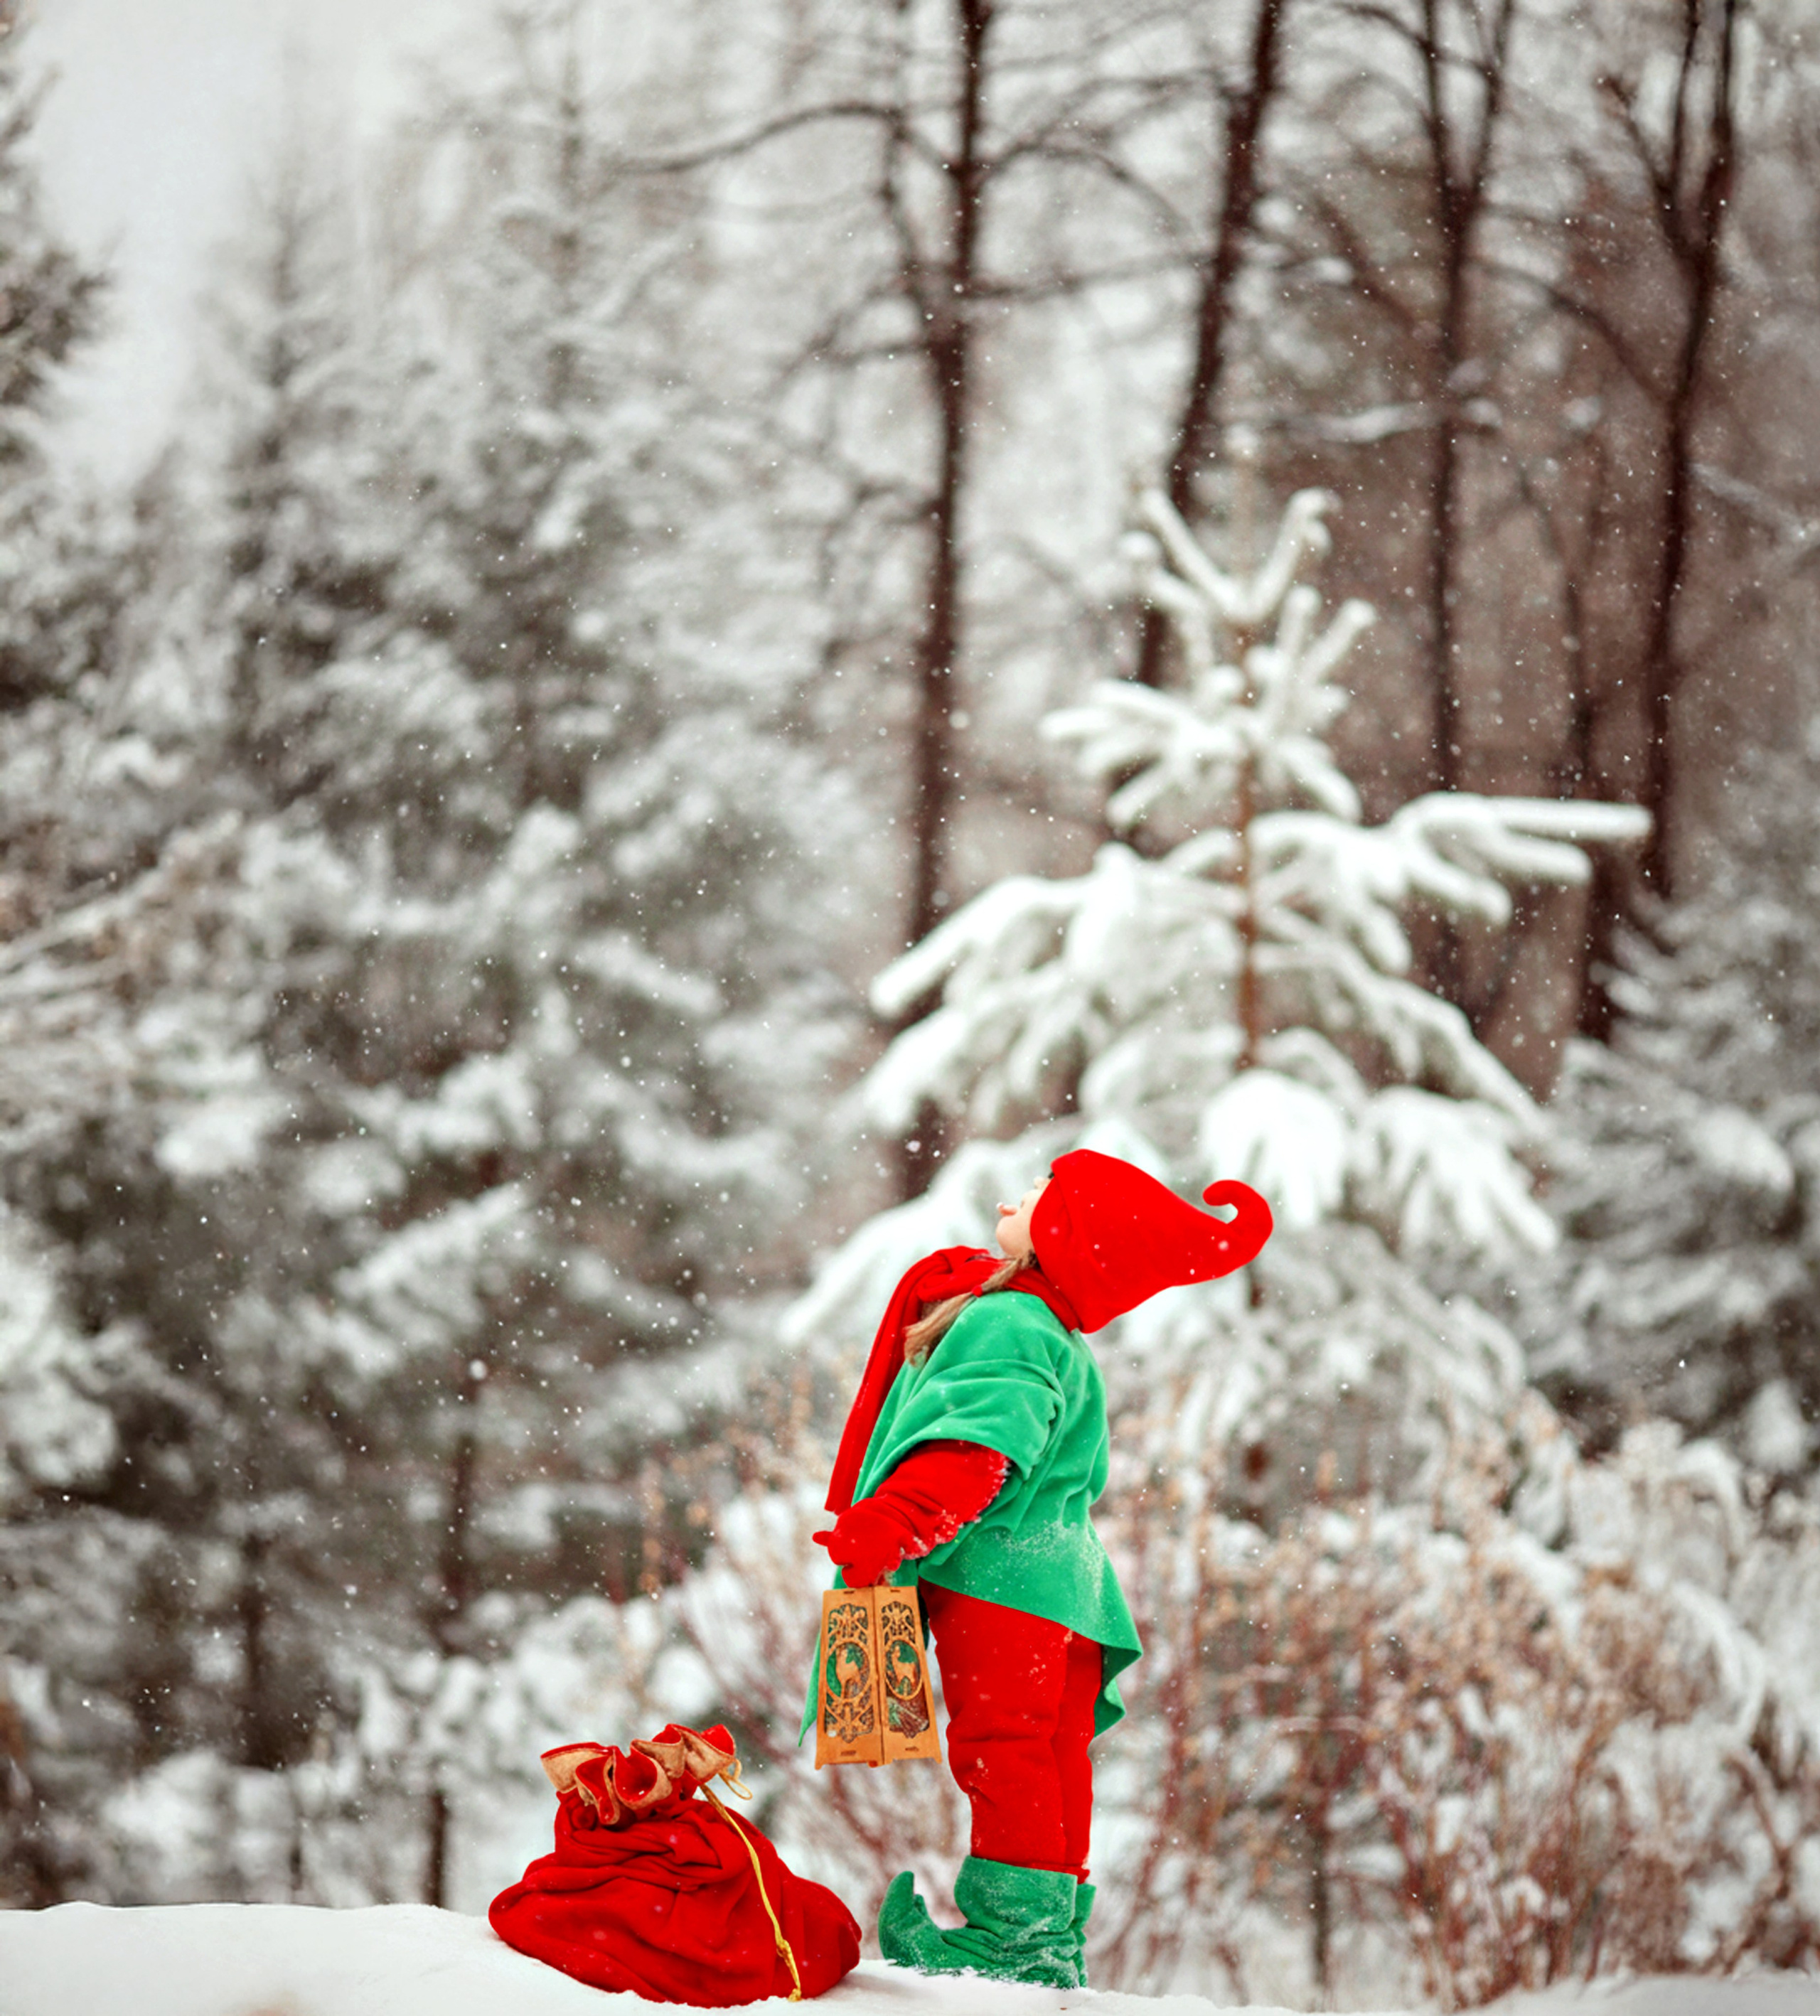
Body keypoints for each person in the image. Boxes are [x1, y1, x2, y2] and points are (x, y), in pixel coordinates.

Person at [808, 1147, 1273, 1988]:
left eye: (1040, 1194)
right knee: (1049, 1758)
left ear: (1067, 1233)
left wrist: (894, 1521)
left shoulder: (1008, 1321)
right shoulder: (1049, 1329)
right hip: (1069, 1586)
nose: (1013, 1197)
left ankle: (1010, 1941)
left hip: (1003, 1583)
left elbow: (980, 1446)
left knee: (1003, 1751)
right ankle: (1047, 1937)